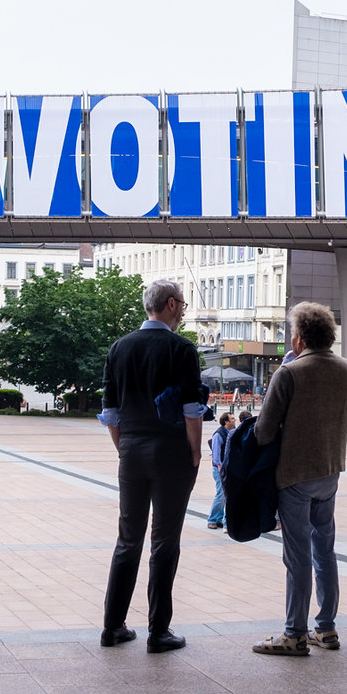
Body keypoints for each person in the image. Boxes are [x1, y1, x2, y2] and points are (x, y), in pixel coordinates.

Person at [99, 279, 206, 652]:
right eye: (184, 303)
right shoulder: (181, 349)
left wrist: (124, 448)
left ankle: (113, 627)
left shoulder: (119, 347)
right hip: (171, 452)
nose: (185, 309)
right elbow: (192, 410)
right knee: (164, 541)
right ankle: (158, 631)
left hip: (131, 448)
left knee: (128, 539)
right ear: (172, 305)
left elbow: (110, 413)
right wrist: (195, 453)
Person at [249, 302, 347, 656]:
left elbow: (263, 432)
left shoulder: (290, 373)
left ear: (298, 337)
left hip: (295, 474)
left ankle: (294, 633)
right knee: (324, 550)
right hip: (330, 472)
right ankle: (325, 629)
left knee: (297, 557)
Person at [206, 411, 231, 529]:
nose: (234, 420)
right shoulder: (219, 434)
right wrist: (221, 469)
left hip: (225, 469)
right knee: (221, 493)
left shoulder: (229, 433)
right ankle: (212, 519)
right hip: (219, 469)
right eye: (232, 419)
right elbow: (216, 455)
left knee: (224, 494)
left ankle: (218, 518)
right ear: (226, 422)